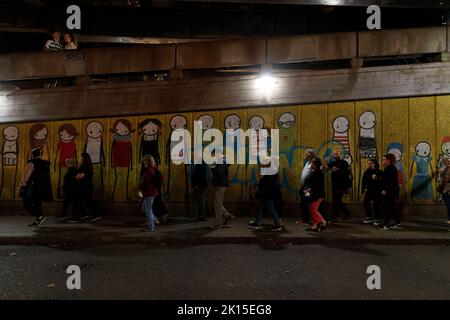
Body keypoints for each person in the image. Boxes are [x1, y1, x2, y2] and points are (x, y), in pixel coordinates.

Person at [247, 158, 282, 231]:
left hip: (267, 193)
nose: (261, 164)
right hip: (266, 193)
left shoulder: (271, 172)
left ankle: (277, 225)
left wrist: (261, 190)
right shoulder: (269, 170)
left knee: (270, 208)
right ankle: (257, 223)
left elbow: (268, 184)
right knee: (260, 207)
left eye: (263, 162)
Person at [20, 148, 52, 226]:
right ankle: (39, 218)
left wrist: (22, 185)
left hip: (33, 187)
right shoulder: (46, 163)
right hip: (43, 187)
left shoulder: (32, 163)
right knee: (37, 203)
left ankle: (39, 216)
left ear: (32, 154)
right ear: (40, 154)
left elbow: (26, 176)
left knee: (26, 203)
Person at [70, 153, 99, 223]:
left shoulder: (84, 167)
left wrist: (73, 170)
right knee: (87, 201)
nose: (79, 159)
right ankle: (86, 215)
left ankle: (78, 217)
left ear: (83, 159)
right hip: (87, 187)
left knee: (79, 201)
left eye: (80, 158)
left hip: (84, 187)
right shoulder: (88, 166)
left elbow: (79, 177)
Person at [325, 150, 352, 222]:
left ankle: (333, 217)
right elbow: (325, 169)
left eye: (336, 154)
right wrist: (325, 162)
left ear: (340, 155)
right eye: (334, 154)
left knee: (336, 201)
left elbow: (347, 172)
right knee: (337, 200)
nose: (335, 155)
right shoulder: (332, 163)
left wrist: (338, 169)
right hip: (334, 185)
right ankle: (347, 213)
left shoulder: (344, 163)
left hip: (341, 185)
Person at [302, 158, 327, 232]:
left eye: (312, 163)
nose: (311, 164)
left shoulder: (318, 173)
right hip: (312, 193)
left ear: (316, 165)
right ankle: (314, 226)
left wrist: (308, 190)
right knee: (311, 208)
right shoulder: (314, 171)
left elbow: (316, 185)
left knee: (313, 209)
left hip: (317, 194)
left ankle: (323, 221)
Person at [209, 158, 234, 229]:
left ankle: (218, 223)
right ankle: (226, 215)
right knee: (217, 204)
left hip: (220, 185)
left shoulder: (220, 161)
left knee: (217, 205)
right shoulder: (222, 161)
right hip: (220, 184)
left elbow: (219, 172)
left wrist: (212, 167)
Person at [380, 154, 402, 230]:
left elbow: (390, 182)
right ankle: (398, 223)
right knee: (392, 208)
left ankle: (386, 224)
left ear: (388, 160)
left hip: (390, 192)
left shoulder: (391, 169)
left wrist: (385, 190)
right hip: (391, 191)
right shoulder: (388, 168)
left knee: (387, 208)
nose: (383, 161)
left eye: (384, 159)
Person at [139, 155, 159, 232]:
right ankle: (154, 220)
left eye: (144, 161)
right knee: (144, 207)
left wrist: (140, 189)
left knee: (148, 209)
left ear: (147, 161)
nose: (143, 162)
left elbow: (145, 182)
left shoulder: (149, 170)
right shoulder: (153, 169)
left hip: (149, 192)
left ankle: (151, 226)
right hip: (152, 192)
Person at [361, 159, 382, 225]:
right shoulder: (366, 171)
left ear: (374, 164)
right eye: (368, 163)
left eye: (370, 163)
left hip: (377, 191)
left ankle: (377, 219)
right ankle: (369, 216)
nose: (369, 165)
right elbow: (363, 181)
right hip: (369, 190)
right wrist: (363, 190)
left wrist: (377, 178)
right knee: (365, 202)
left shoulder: (378, 171)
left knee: (376, 205)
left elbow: (382, 180)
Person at [297, 149, 315, 224]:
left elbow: (314, 177)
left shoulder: (313, 164)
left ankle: (306, 219)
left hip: (308, 188)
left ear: (310, 154)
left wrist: (309, 188)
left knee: (306, 202)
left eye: (306, 153)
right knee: (304, 202)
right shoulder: (307, 163)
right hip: (304, 187)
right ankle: (305, 219)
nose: (305, 155)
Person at [439, 157, 450, 225]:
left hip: (448, 189)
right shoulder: (446, 169)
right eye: (445, 162)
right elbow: (443, 178)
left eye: (448, 161)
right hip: (445, 189)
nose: (447, 163)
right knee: (448, 204)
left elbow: (446, 179)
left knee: (449, 205)